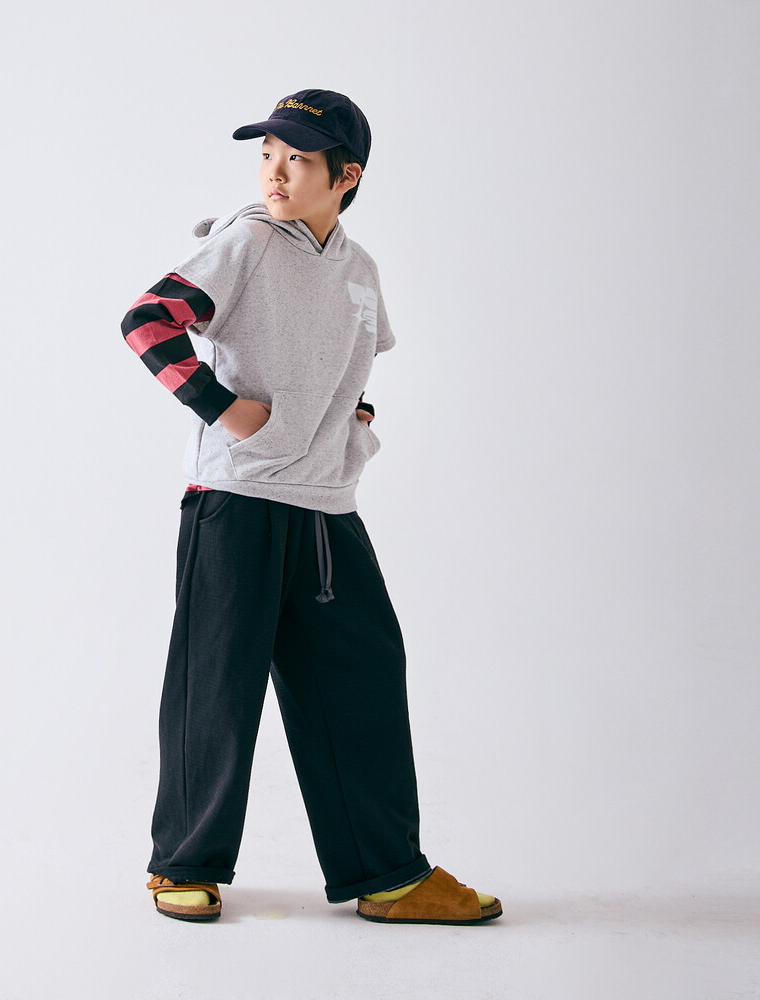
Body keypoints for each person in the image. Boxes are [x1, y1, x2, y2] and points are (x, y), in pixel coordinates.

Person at [121, 89, 502, 925]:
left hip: (327, 505)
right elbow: (148, 322)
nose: (275, 172)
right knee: (216, 683)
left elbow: (349, 363)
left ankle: (388, 875)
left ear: (345, 176)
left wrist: (354, 421)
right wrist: (225, 411)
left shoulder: (360, 270)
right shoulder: (247, 241)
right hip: (236, 500)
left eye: (296, 157)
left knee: (362, 677)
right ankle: (183, 863)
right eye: (267, 154)